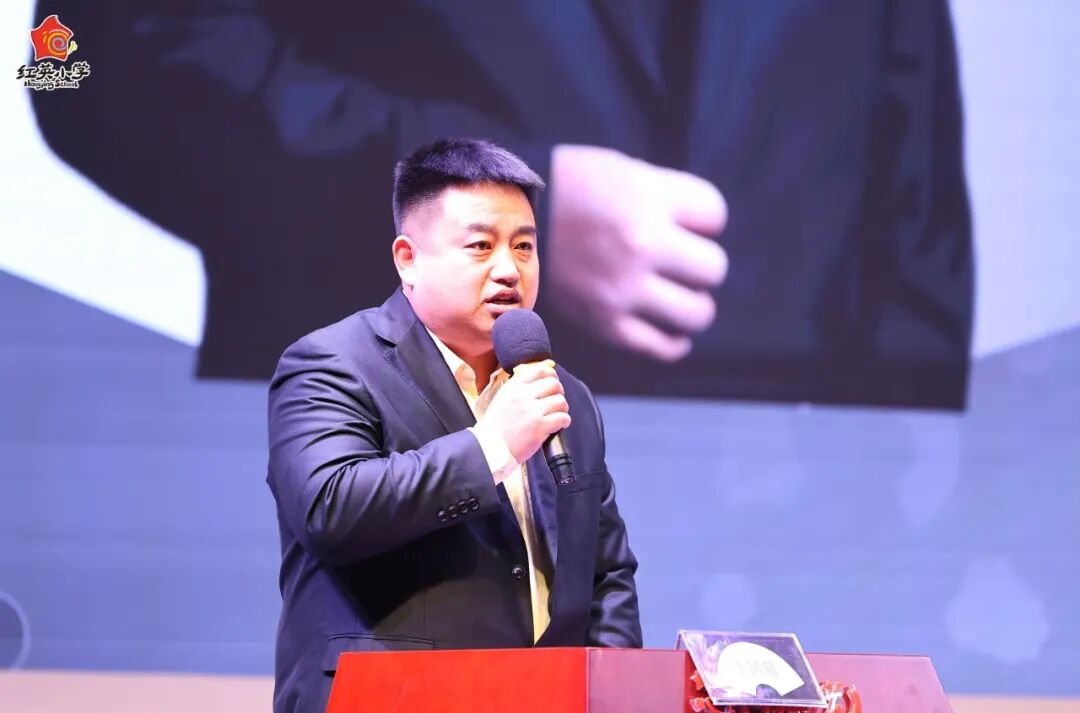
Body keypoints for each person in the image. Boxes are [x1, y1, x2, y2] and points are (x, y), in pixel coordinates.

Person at [32, 0, 973, 410]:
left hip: (776, 521)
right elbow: (87, 67)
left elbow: (910, 221)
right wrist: (492, 222)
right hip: (386, 481)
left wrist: (897, 508)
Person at [266, 138, 641, 713]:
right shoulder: (331, 364)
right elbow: (331, 508)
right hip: (387, 704)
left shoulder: (563, 394)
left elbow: (605, 574)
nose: (509, 270)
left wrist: (609, 695)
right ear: (408, 259)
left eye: (524, 246)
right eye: (480, 246)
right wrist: (494, 445)